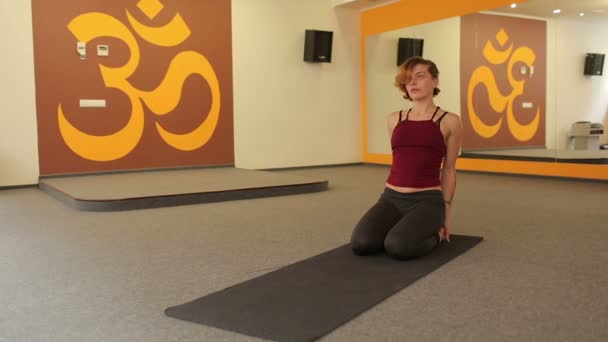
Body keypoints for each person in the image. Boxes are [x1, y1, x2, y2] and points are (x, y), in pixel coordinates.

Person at [351, 56, 463, 260]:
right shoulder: (394, 119)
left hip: (427, 201)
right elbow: (402, 160)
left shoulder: (450, 121)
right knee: (362, 244)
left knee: (398, 247)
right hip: (391, 198)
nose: (412, 83)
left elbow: (449, 169)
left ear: (435, 81)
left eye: (420, 76)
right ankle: (402, 225)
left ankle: (435, 235)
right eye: (408, 78)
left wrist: (446, 214)